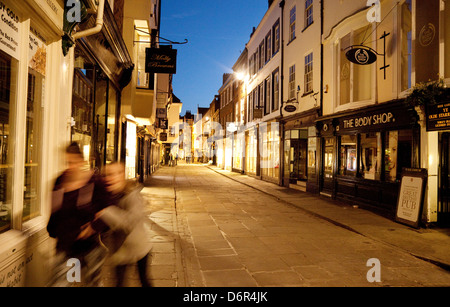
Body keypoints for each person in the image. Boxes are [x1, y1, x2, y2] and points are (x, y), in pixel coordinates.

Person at [47, 142, 115, 287]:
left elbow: (110, 208)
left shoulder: (94, 182)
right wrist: (53, 229)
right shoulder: (59, 181)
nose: (70, 167)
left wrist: (94, 227)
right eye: (67, 162)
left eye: (73, 162)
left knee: (93, 283)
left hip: (90, 247)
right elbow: (54, 210)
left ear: (81, 161)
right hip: (66, 247)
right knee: (63, 283)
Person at [96, 162, 153, 287]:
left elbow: (129, 223)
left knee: (144, 280)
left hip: (139, 247)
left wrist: (105, 212)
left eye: (113, 174)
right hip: (120, 250)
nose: (109, 178)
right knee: (118, 283)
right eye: (106, 175)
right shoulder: (107, 196)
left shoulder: (133, 195)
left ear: (122, 175)